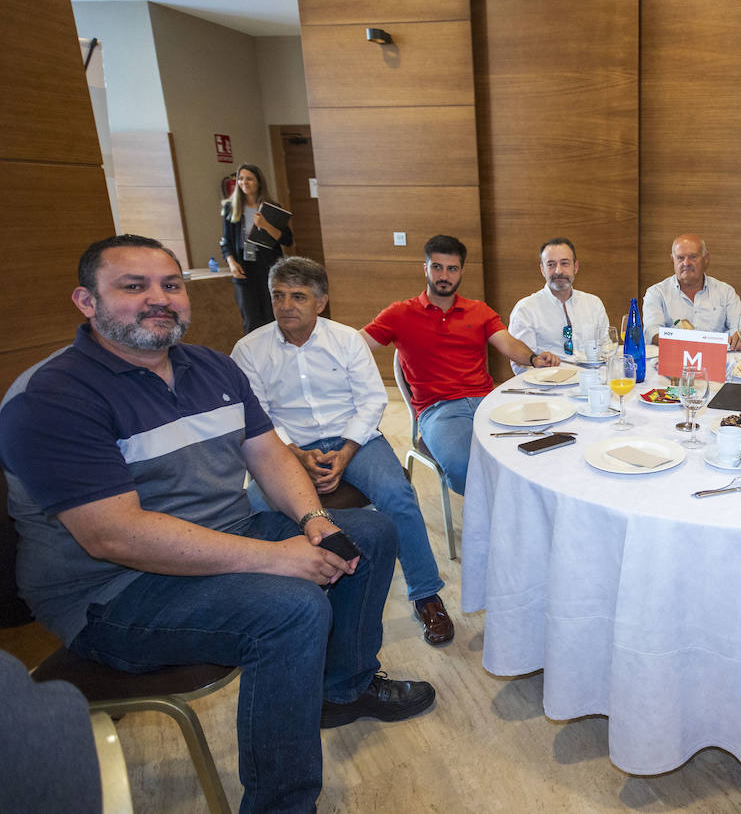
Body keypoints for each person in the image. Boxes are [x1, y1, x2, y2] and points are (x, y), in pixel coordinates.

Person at [0, 235, 434, 813]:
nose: (159, 298)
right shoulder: (52, 397)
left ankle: (340, 690)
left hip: (223, 540)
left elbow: (269, 456)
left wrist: (313, 521)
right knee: (293, 609)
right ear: (87, 302)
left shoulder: (210, 367)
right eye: (134, 287)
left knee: (370, 532)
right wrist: (280, 558)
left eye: (171, 284)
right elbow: (114, 535)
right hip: (112, 591)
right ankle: (282, 803)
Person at [231, 257, 454, 646]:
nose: (286, 306)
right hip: (287, 446)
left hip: (355, 439)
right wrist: (295, 453)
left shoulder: (346, 339)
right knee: (253, 509)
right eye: (278, 296)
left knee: (399, 495)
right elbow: (256, 415)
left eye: (298, 297)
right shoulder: (249, 350)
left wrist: (348, 450)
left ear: (321, 302)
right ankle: (274, 605)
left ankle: (426, 594)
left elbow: (371, 400)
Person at [363, 235, 561, 496]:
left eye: (452, 268)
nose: (444, 275)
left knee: (542, 445)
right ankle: (487, 520)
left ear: (461, 272)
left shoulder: (478, 310)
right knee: (465, 466)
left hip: (487, 401)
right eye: (437, 267)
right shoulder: (400, 314)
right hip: (440, 409)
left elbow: (508, 344)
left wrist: (534, 358)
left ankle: (516, 508)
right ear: (426, 268)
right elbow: (356, 345)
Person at [507, 237, 609, 373]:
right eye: (551, 264)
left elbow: (607, 348)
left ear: (576, 267)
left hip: (592, 380)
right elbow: (520, 365)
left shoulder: (593, 304)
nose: (558, 271)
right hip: (547, 386)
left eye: (565, 263)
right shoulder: (525, 309)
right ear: (542, 269)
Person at [220, 163, 292, 334]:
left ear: (259, 182)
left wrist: (265, 225)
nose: (244, 182)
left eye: (249, 179)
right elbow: (226, 241)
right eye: (241, 179)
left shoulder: (272, 208)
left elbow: (288, 240)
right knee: (251, 318)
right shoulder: (231, 207)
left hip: (268, 266)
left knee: (271, 315)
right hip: (244, 266)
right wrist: (231, 263)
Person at [642, 234, 741, 349]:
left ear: (706, 258)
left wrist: (739, 338)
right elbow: (651, 332)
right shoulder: (656, 293)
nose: (686, 263)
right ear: (673, 260)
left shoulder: (726, 292)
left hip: (717, 361)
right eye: (680, 258)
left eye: (693, 257)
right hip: (673, 359)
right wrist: (689, 341)